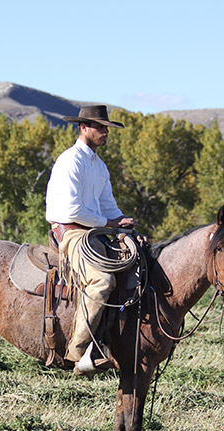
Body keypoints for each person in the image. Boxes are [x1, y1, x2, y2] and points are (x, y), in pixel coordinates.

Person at [45, 105, 137, 374]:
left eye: (106, 128)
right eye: (100, 127)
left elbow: (108, 206)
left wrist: (125, 227)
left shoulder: (99, 166)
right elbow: (73, 210)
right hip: (71, 232)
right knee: (102, 280)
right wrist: (110, 224)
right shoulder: (70, 161)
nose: (105, 132)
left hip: (94, 231)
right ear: (83, 128)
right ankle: (76, 353)